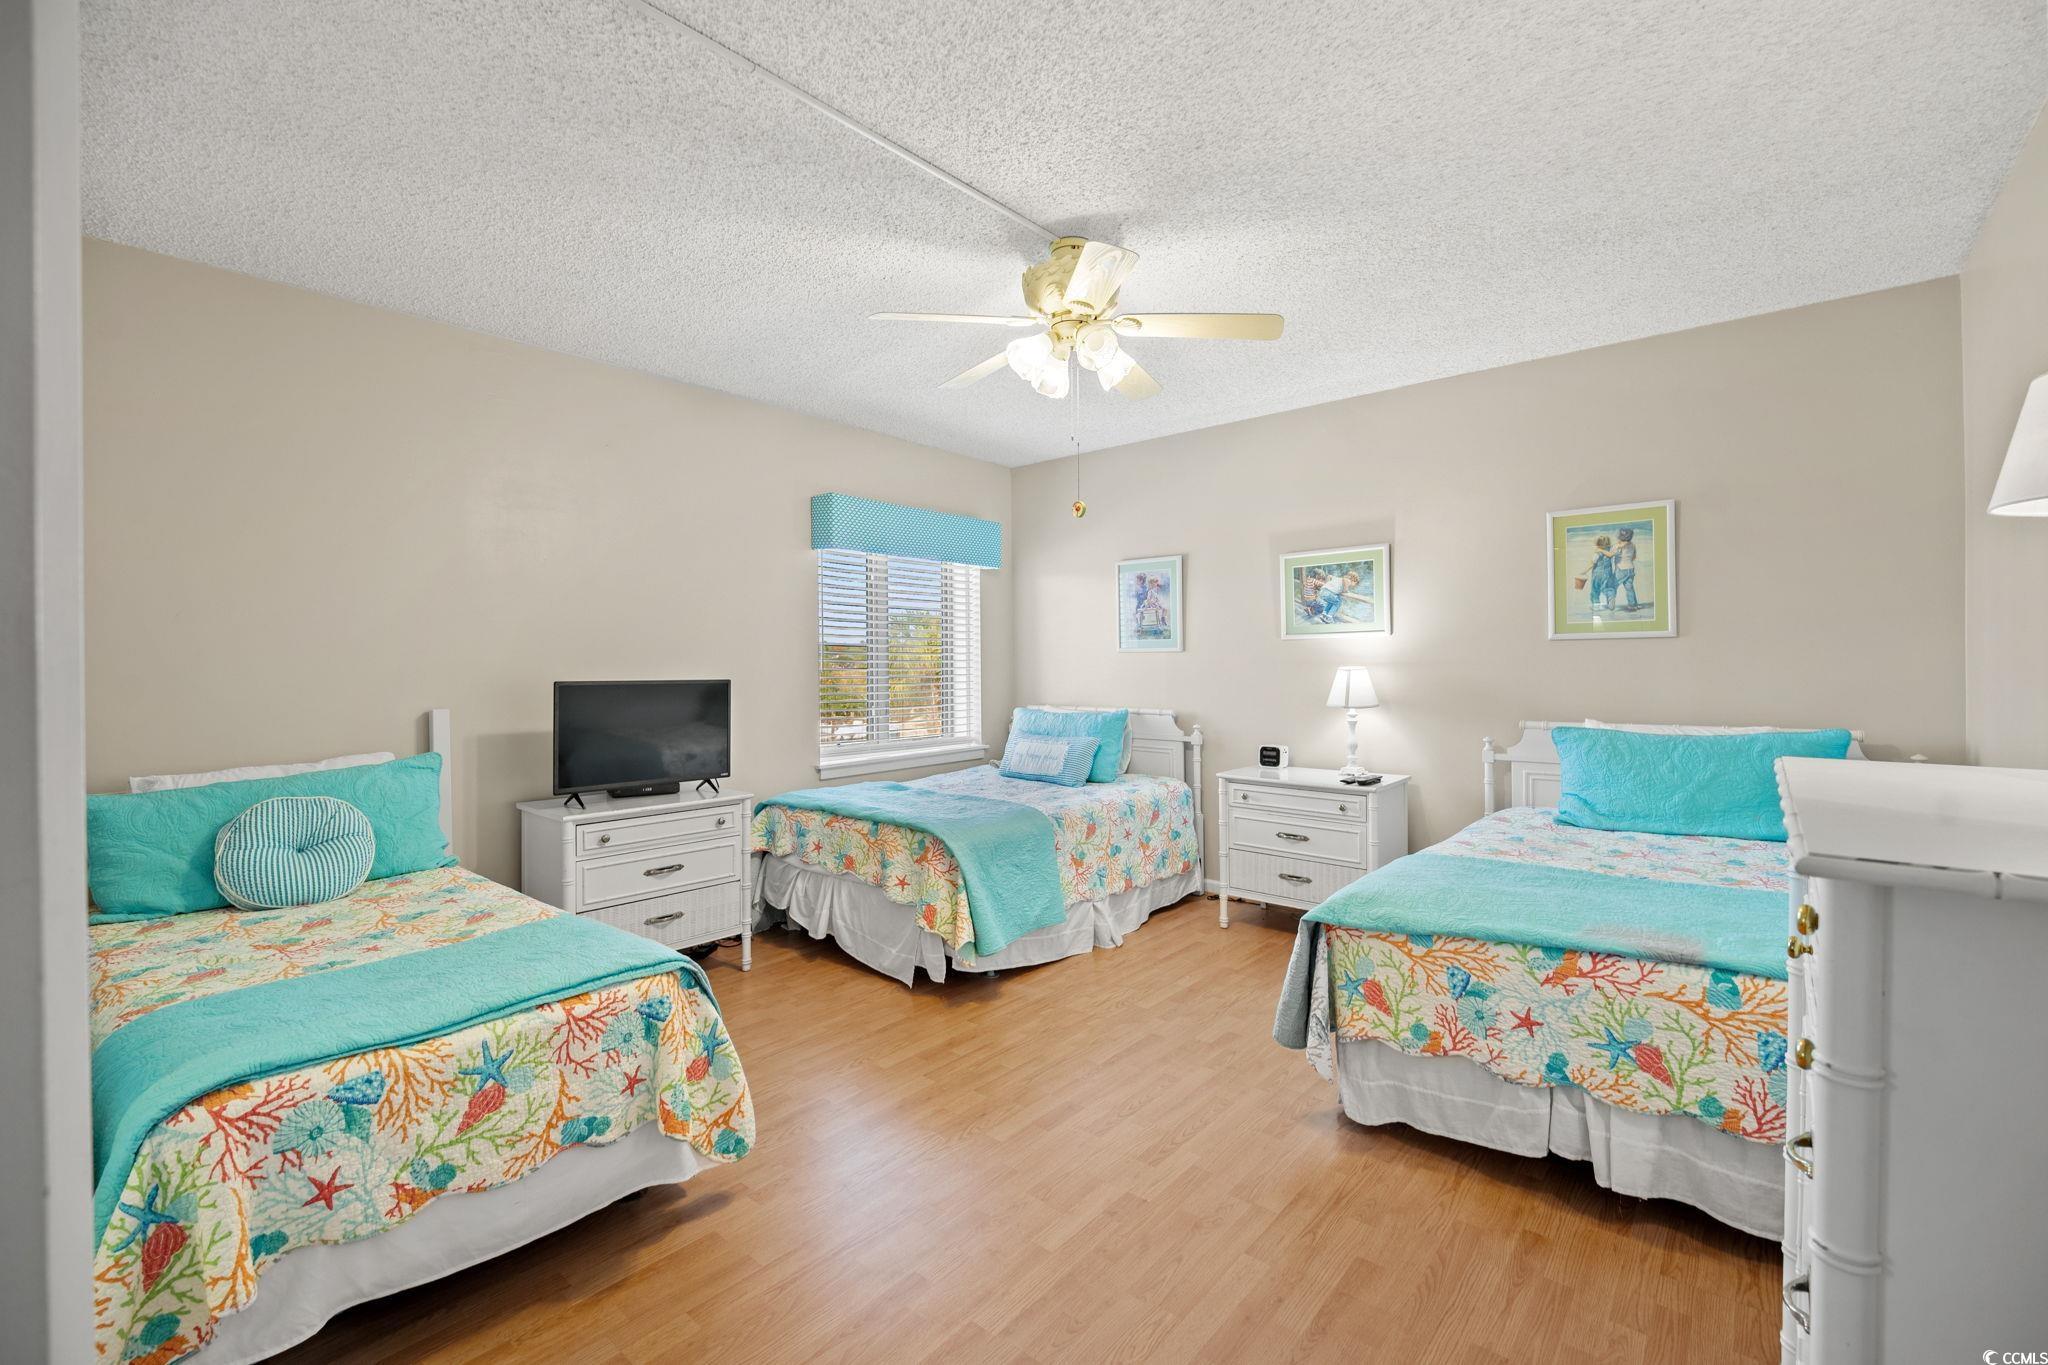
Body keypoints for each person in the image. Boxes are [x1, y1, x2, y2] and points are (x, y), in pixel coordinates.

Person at [1613, 526, 1640, 610]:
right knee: (1629, 587)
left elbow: (1610, 554)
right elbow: (1634, 557)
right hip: (1630, 568)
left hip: (1621, 568)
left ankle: (1610, 604)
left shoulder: (1617, 546)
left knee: (1612, 586)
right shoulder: (1632, 545)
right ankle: (1633, 605)